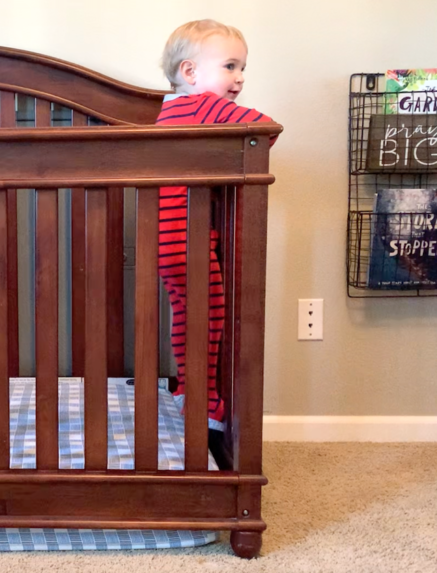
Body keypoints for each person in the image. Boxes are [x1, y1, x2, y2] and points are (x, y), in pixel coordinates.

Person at [143, 20, 279, 464]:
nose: (240, 78)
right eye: (230, 66)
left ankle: (188, 386)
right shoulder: (202, 105)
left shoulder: (171, 112)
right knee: (209, 318)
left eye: (243, 68)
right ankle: (200, 398)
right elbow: (264, 128)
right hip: (188, 241)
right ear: (191, 72)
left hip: (171, 240)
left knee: (190, 313)